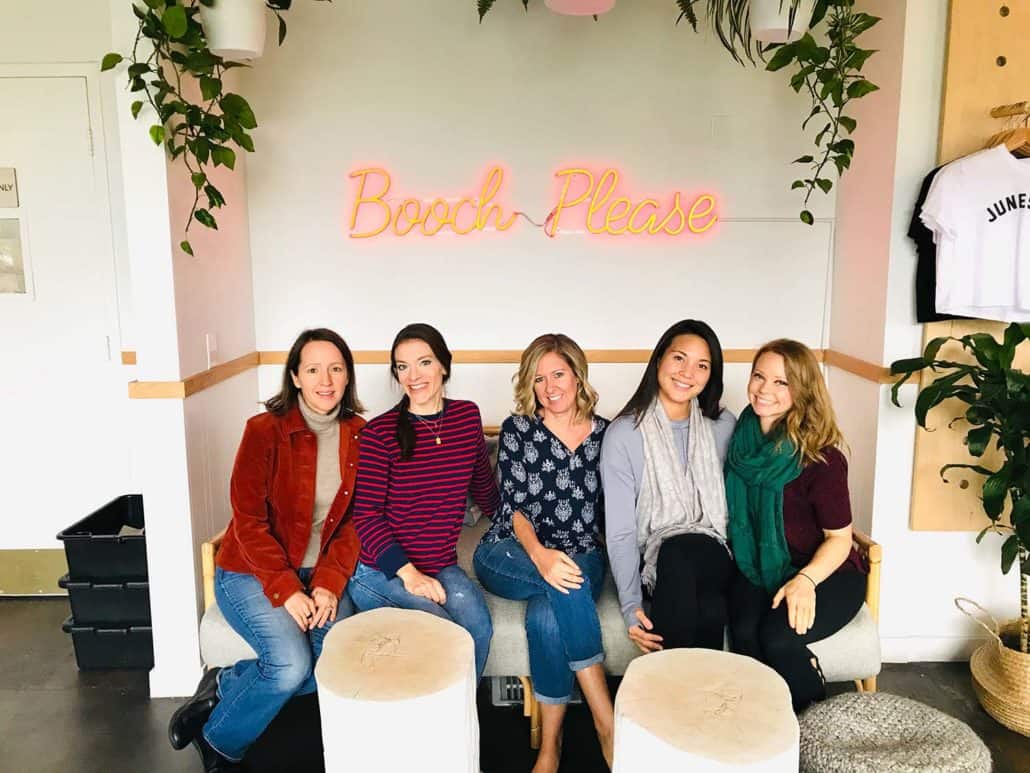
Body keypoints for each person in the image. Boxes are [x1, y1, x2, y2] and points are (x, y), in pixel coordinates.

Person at [168, 328, 366, 772]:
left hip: (320, 577)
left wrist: (329, 586)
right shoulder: (263, 431)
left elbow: (355, 524)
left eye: (336, 368)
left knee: (332, 663)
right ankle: (219, 739)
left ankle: (225, 683)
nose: (326, 379)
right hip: (251, 572)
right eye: (313, 369)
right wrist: (286, 588)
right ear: (295, 376)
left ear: (348, 376)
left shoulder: (360, 435)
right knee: (290, 664)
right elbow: (249, 521)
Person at [473, 334, 614, 772]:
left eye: (558, 374)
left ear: (577, 375)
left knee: (548, 613)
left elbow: (617, 513)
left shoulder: (608, 435)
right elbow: (514, 508)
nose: (550, 387)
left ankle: (549, 747)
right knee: (564, 583)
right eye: (538, 379)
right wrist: (539, 555)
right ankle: (606, 721)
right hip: (512, 550)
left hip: (583, 549)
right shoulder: (519, 430)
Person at [347, 323, 498, 680]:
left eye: (424, 362)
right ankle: (433, 725)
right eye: (402, 366)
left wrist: (526, 533)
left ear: (444, 365)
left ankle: (458, 723)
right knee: (443, 636)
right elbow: (366, 516)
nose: (413, 376)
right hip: (379, 573)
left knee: (479, 627)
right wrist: (409, 575)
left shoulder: (466, 417)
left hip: (441, 565)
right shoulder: (379, 433)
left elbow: (485, 489)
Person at [725, 339, 867, 712]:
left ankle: (810, 711)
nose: (764, 390)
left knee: (776, 638)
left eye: (781, 382)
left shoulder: (822, 459)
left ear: (802, 390)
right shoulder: (740, 440)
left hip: (827, 572)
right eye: (759, 376)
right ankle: (764, 720)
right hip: (760, 564)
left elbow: (839, 539)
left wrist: (805, 581)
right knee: (742, 634)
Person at [601, 319, 736, 656]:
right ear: (659, 360)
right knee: (710, 608)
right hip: (657, 563)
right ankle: (701, 702)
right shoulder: (623, 435)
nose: (687, 372)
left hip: (715, 551)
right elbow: (620, 531)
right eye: (679, 358)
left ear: (710, 376)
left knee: (679, 550)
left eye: (702, 365)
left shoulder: (723, 425)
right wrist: (631, 605)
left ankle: (661, 692)